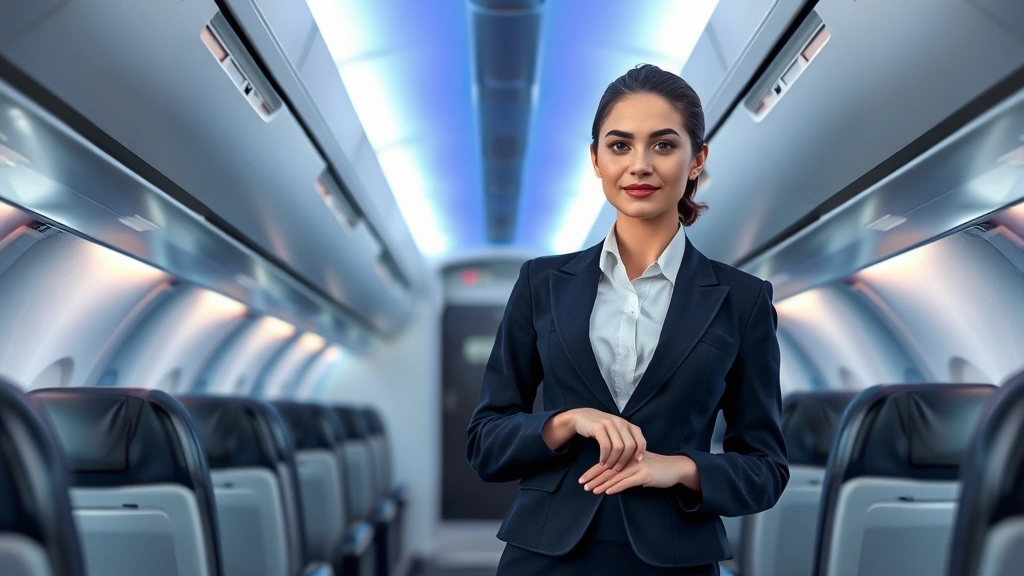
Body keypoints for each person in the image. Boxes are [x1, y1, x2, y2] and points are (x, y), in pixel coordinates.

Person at [466, 63, 789, 575]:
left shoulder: (742, 300)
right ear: (596, 160)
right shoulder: (541, 283)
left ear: (697, 159)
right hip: (545, 554)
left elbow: (766, 470)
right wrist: (568, 421)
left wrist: (678, 468)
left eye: (663, 145)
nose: (639, 165)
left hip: (675, 558)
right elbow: (485, 442)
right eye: (619, 146)